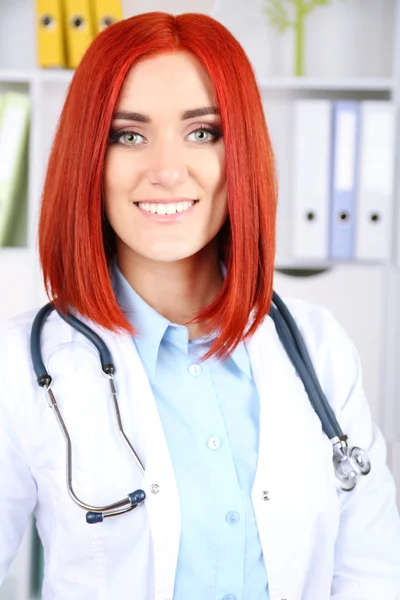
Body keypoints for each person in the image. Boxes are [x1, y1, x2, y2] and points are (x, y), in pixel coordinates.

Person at [0, 11, 399, 600]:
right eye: (127, 135)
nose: (166, 171)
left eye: (203, 132)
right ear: (89, 157)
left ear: (240, 152)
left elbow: (372, 574)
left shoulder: (320, 347)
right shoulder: (21, 367)